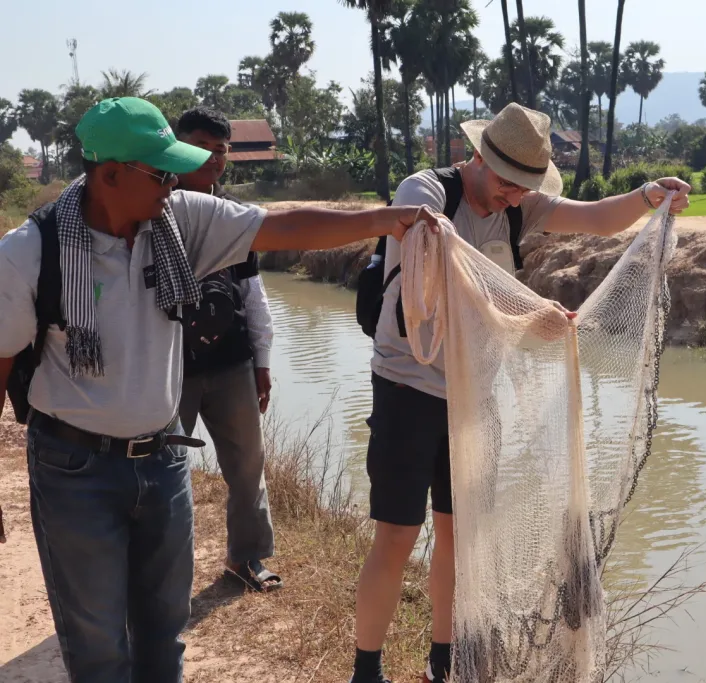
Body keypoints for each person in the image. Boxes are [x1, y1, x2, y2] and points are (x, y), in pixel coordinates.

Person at [0, 97, 439, 683]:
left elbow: (282, 226)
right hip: (73, 470)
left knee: (164, 634)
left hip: (163, 461)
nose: (173, 182)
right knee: (98, 645)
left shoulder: (179, 219)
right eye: (160, 172)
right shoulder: (29, 252)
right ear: (109, 176)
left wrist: (385, 220)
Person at [352, 102, 690, 683]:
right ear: (477, 157)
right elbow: (441, 290)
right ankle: (367, 670)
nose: (513, 197)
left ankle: (445, 660)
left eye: (525, 188)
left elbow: (594, 219)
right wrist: (528, 314)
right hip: (409, 387)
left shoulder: (517, 206)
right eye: (508, 183)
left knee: (459, 533)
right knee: (398, 535)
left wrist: (647, 196)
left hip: (473, 396)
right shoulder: (425, 194)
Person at [173, 106, 281, 593]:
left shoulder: (237, 215)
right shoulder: (156, 208)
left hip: (233, 363)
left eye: (220, 150)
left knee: (246, 465)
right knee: (163, 471)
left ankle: (248, 559)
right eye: (201, 149)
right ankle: (163, 573)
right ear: (175, 150)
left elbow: (253, 293)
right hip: (170, 369)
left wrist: (262, 361)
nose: (213, 159)